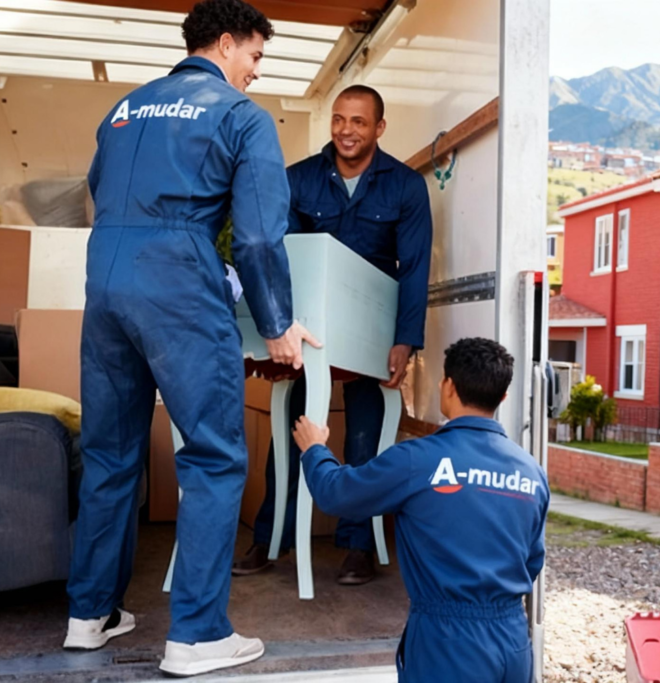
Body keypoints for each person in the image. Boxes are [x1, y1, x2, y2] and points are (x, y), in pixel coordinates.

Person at [64, 0, 319, 676]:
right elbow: (261, 233)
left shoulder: (124, 110)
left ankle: (90, 613)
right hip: (176, 282)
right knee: (212, 455)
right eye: (256, 58)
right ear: (229, 44)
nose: (256, 74)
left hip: (106, 280)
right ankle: (198, 634)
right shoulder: (241, 117)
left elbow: (99, 195)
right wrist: (277, 325)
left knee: (111, 455)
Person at [232, 84, 433, 585]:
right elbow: (283, 257)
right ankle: (269, 538)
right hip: (311, 332)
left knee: (365, 441)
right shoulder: (298, 179)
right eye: (339, 119)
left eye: (359, 121)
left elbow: (414, 268)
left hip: (373, 330)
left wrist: (405, 340)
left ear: (379, 128)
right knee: (296, 436)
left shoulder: (405, 186)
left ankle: (358, 546)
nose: (346, 130)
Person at [293, 338, 548, 682]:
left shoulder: (418, 460)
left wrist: (315, 450)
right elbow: (532, 561)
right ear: (502, 397)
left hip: (450, 644)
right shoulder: (531, 472)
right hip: (513, 641)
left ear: (448, 387)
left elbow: (336, 494)